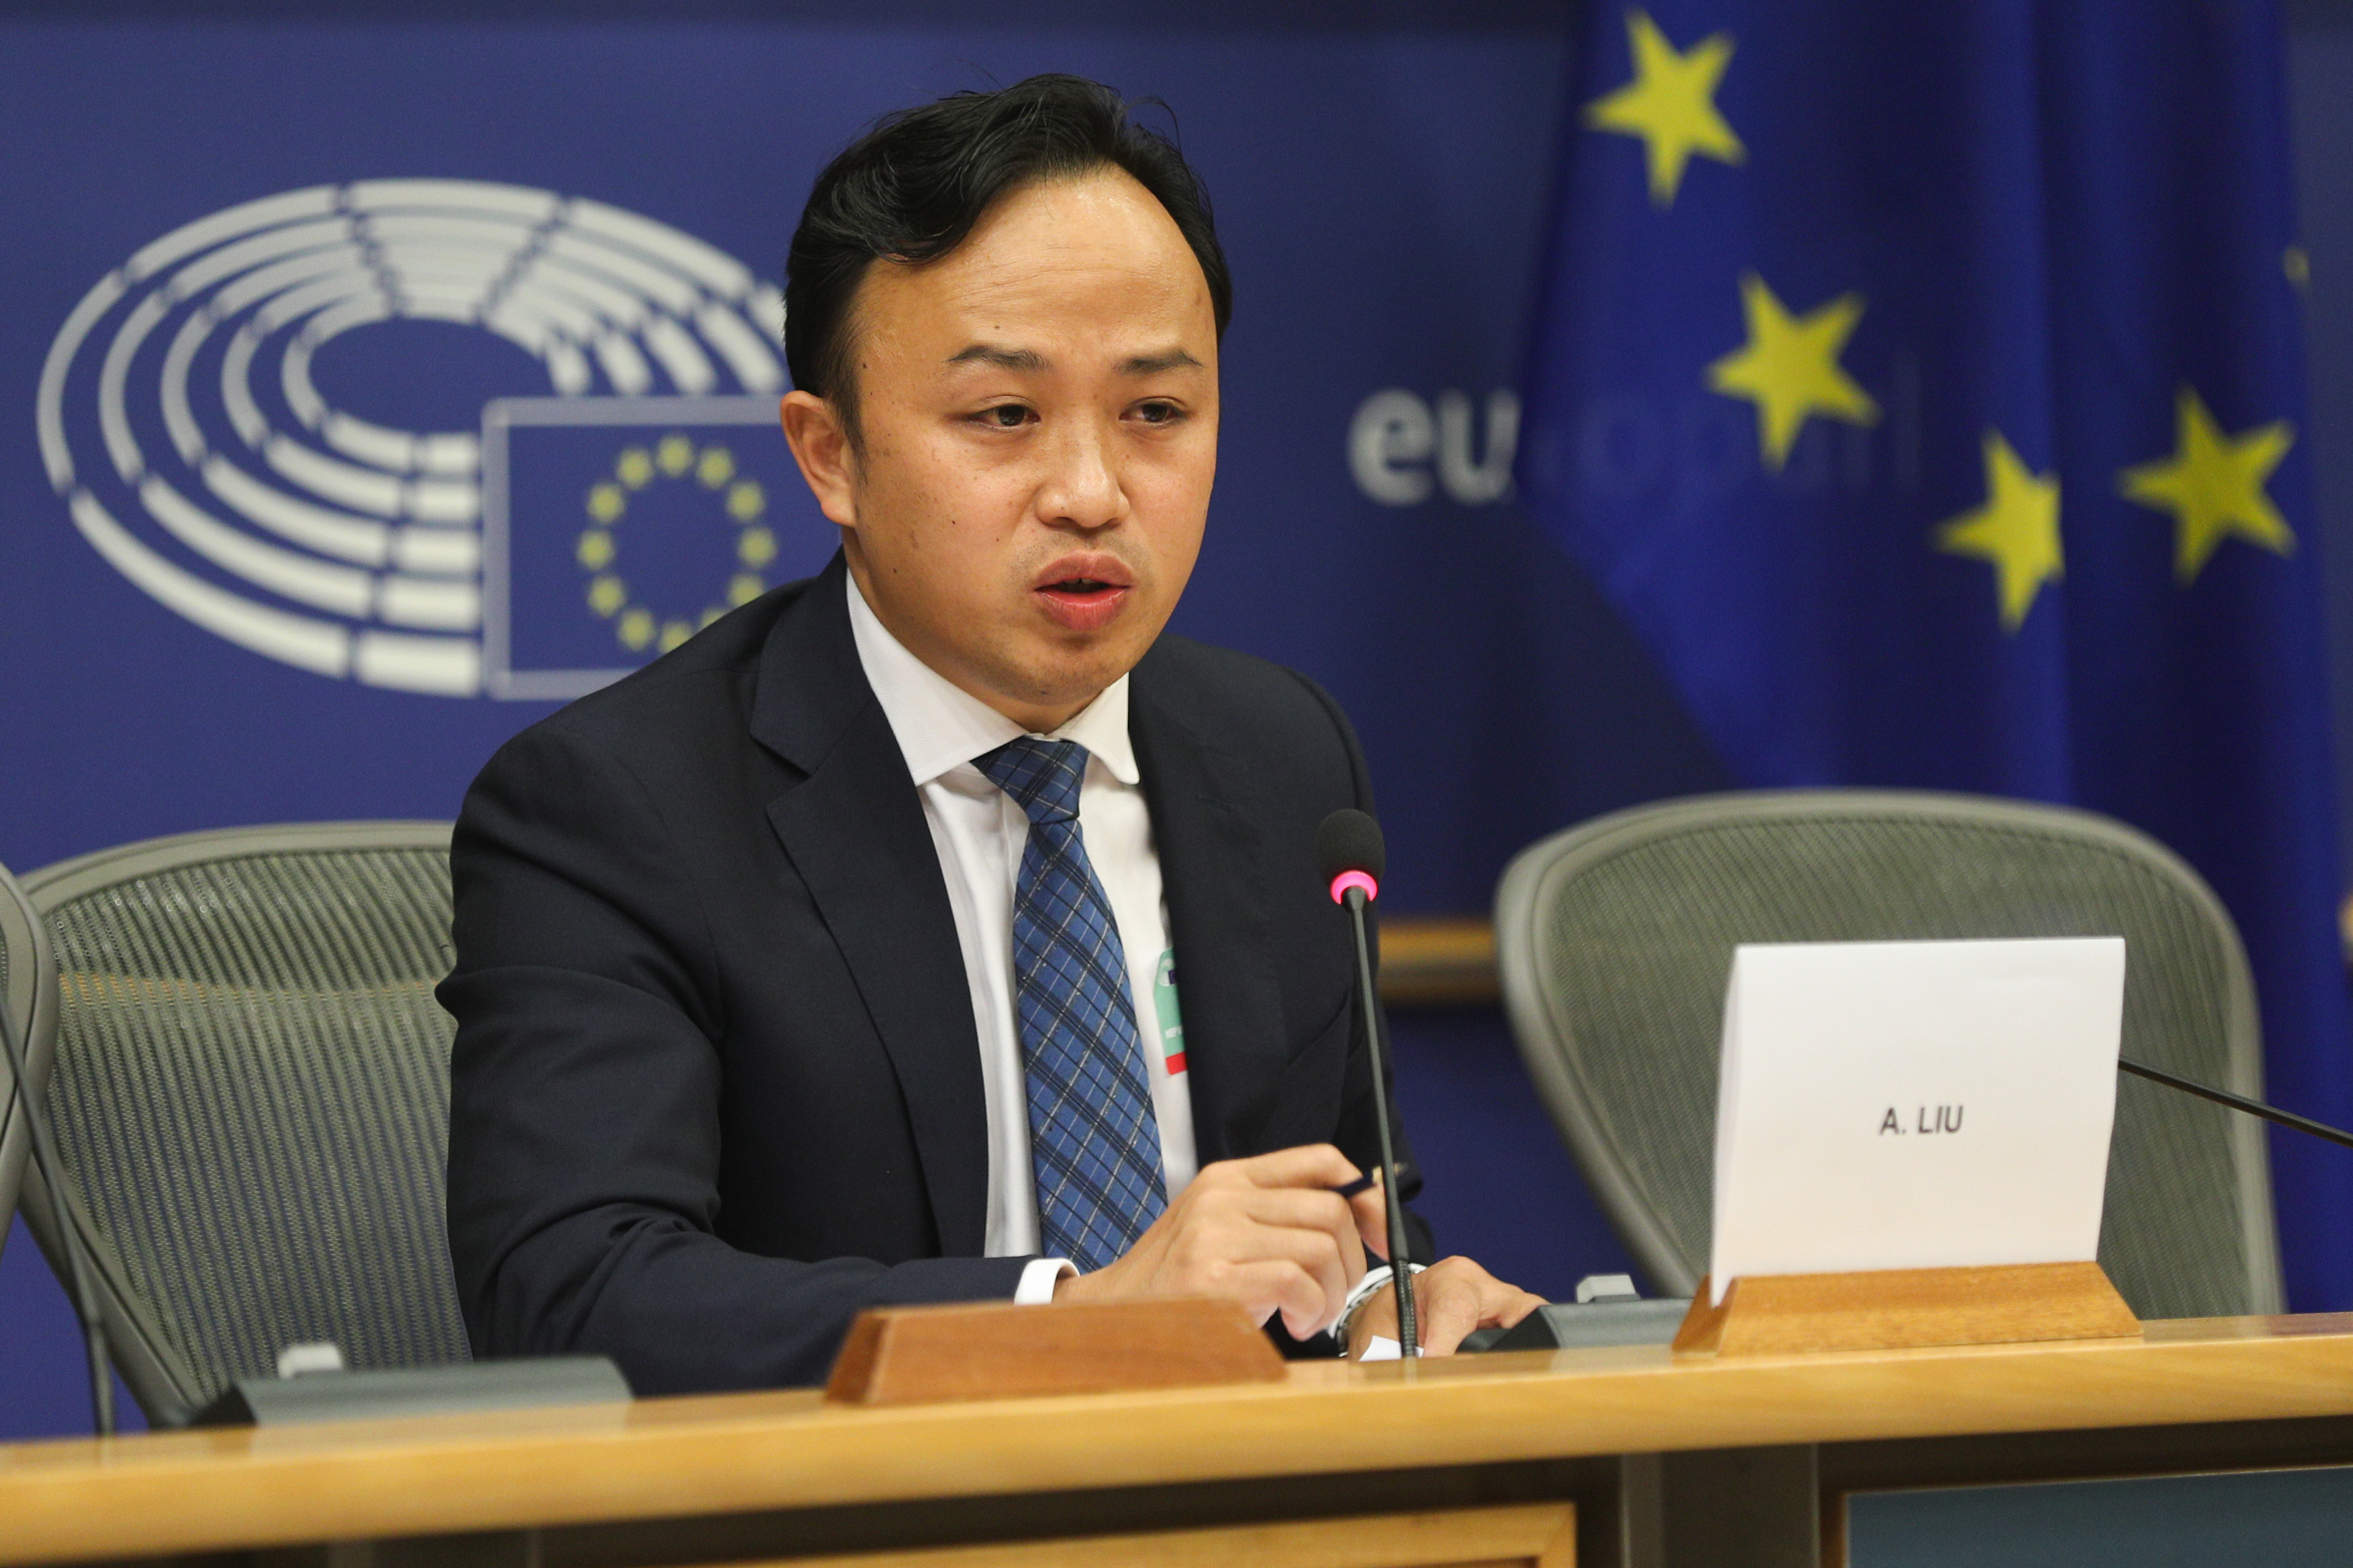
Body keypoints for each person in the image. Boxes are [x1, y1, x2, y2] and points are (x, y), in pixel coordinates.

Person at [441, 73, 1542, 1395]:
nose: (1089, 492)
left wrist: (1386, 1299)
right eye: (1003, 417)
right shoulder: (618, 806)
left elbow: (1346, 1210)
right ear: (827, 455)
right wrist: (1073, 1314)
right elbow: (573, 1296)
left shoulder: (1280, 756)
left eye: (1155, 414)